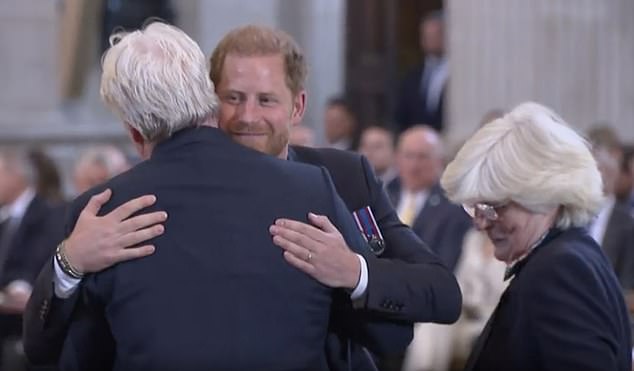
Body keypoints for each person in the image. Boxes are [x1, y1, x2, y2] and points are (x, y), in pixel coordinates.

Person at [24, 24, 461, 370]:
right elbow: (389, 335)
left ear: (297, 107)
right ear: (210, 101)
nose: (249, 116)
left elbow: (431, 296)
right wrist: (69, 262)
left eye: (266, 99)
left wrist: (354, 270)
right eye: (234, 98)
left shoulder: (336, 178)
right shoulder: (308, 191)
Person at [441, 102, 632, 370]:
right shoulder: (568, 255)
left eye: (492, 207)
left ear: (544, 196)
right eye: (474, 207)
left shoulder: (561, 272)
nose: (480, 223)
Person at [395, 10, 447, 133]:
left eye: (435, 35)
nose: (430, 40)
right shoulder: (412, 75)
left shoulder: (459, 75)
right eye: (426, 35)